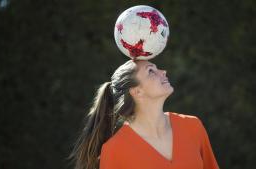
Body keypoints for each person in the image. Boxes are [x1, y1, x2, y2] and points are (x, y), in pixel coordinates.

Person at [67, 59, 220, 169]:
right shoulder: (114, 150)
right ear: (137, 91)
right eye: (151, 71)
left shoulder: (193, 126)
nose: (163, 72)